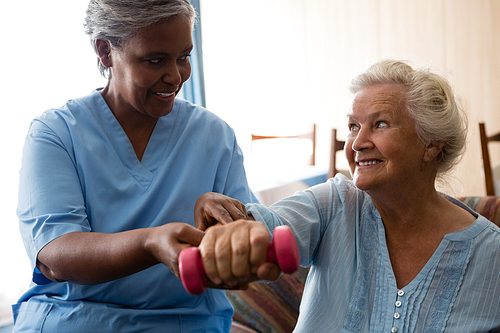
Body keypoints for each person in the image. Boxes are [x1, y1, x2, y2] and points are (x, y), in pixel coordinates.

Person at [193, 60, 500, 332]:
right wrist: (231, 221)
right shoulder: (336, 202)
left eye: (379, 124)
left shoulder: (491, 253)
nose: (356, 143)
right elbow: (267, 226)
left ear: (431, 145)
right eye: (353, 126)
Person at [13, 1, 255, 332]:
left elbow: (251, 236)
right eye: (155, 60)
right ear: (105, 51)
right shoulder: (56, 133)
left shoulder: (214, 135)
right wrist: (150, 243)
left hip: (182, 322)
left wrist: (229, 236)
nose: (176, 76)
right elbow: (56, 255)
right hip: (75, 320)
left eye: (183, 57)